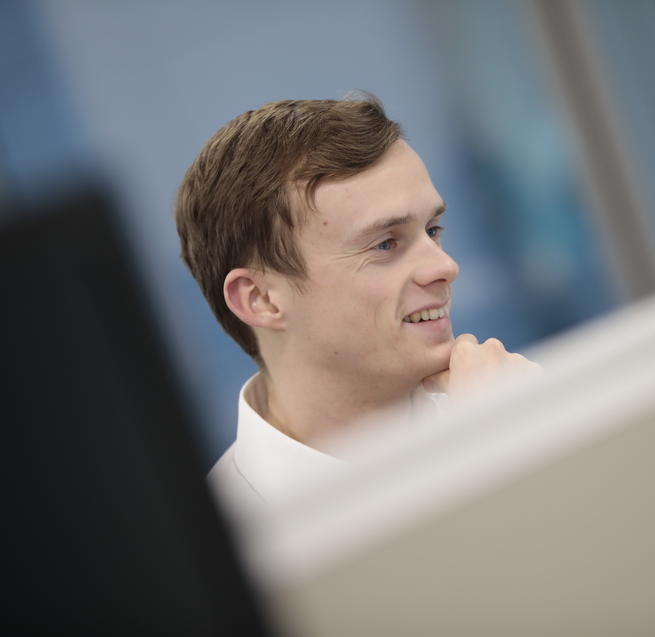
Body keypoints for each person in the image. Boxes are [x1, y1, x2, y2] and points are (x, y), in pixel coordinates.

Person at [175, 95, 537, 512]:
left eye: (433, 230)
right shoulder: (224, 543)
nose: (445, 266)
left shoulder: (511, 410)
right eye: (386, 244)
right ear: (261, 300)